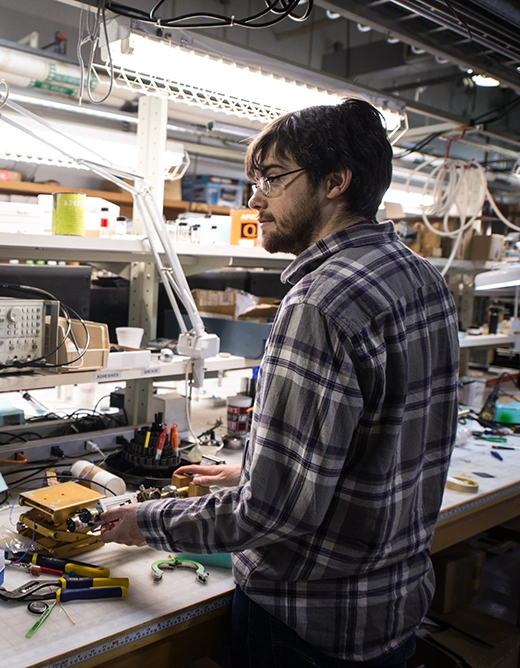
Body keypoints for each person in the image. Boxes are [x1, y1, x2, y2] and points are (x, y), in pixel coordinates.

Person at [100, 98, 459, 667]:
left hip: (308, 622)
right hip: (390, 607)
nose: (254, 199)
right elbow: (389, 450)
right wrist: (256, 470)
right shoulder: (421, 278)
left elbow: (272, 515)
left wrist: (146, 521)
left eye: (272, 178)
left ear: (334, 182)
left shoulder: (319, 302)